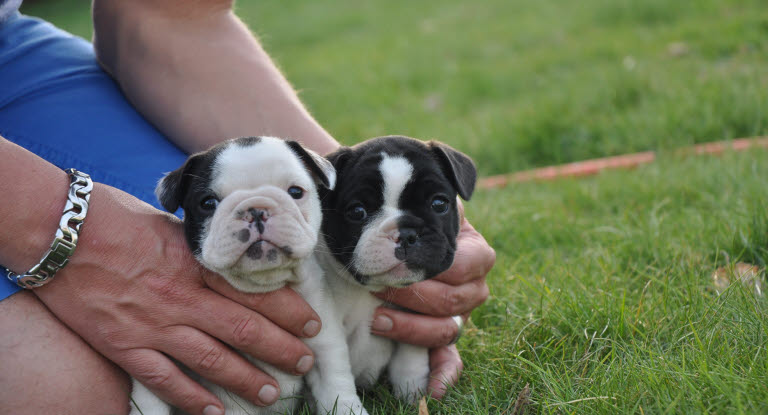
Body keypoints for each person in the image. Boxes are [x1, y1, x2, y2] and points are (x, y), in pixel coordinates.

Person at [0, 1, 495, 414]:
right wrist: (64, 234)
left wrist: (349, 191)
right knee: (69, 390)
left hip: (15, 55)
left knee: (225, 263)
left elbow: (170, 13)